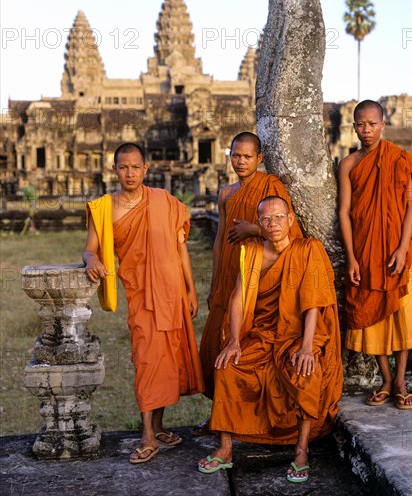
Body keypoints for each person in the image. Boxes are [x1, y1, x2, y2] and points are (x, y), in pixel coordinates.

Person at [198, 196, 342, 483]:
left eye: (278, 217)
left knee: (306, 372)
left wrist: (305, 347)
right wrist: (234, 341)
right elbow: (238, 300)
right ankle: (226, 449)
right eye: (266, 219)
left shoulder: (307, 250)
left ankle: (301, 450)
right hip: (263, 334)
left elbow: (313, 303)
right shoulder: (251, 252)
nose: (273, 224)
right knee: (227, 367)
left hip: (299, 335)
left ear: (290, 220)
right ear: (259, 223)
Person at [83, 142, 204, 464]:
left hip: (172, 292)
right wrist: (90, 260)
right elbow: (89, 249)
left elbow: (180, 250)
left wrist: (191, 290)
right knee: (149, 362)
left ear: (146, 169)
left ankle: (160, 426)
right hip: (141, 296)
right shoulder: (105, 208)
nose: (130, 173)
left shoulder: (164, 201)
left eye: (136, 167)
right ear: (114, 170)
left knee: (168, 361)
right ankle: (147, 435)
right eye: (123, 167)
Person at [198, 132, 303, 410]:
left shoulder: (271, 186)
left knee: (249, 347)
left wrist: (254, 229)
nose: (241, 161)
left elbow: (288, 231)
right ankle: (221, 415)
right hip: (229, 277)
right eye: (236, 155)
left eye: (247, 156)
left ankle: (249, 414)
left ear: (259, 158)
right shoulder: (226, 193)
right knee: (215, 345)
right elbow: (221, 238)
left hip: (258, 276)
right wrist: (214, 285)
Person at [338, 100, 412, 410]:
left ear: (382, 125)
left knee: (401, 316)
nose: (366, 129)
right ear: (354, 127)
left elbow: (410, 207)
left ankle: (401, 381)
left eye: (372, 124)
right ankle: (386, 380)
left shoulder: (399, 159)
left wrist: (403, 249)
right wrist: (351, 257)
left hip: (397, 252)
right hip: (365, 251)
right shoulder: (349, 164)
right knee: (372, 314)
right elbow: (345, 211)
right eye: (360, 124)